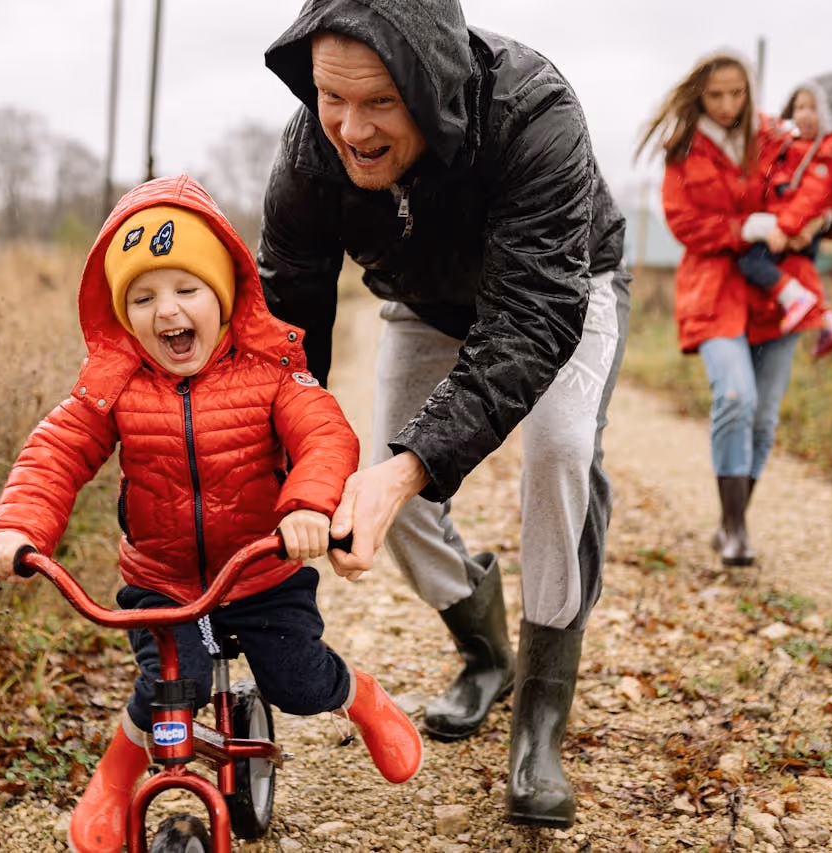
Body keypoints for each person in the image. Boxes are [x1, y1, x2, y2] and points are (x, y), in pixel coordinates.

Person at [258, 0, 629, 828]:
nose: (351, 129)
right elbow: (287, 322)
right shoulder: (308, 153)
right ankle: (485, 652)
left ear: (431, 85)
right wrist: (284, 462)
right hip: (423, 303)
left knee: (561, 449)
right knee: (391, 477)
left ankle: (540, 719)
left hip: (564, 289)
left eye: (380, 101)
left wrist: (409, 466)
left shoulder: (535, 114)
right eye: (331, 98)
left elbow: (532, 319)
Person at [0, 175, 423, 853]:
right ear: (124, 313)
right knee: (166, 689)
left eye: (187, 289)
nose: (167, 312)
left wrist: (306, 506)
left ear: (223, 293)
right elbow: (58, 450)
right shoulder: (116, 382)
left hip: (260, 572)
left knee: (298, 682)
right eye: (143, 296)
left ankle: (359, 696)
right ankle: (112, 780)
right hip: (163, 581)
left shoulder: (270, 370)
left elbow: (325, 435)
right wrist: (18, 526)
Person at [638, 49, 832, 567]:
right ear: (699, 95)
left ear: (749, 91)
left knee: (764, 417)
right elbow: (683, 223)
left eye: (737, 93)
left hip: (778, 290)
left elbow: (814, 183)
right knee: (735, 397)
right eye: (716, 95)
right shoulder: (683, 148)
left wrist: (822, 221)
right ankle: (733, 529)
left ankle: (735, 522)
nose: (728, 104)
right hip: (713, 291)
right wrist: (743, 228)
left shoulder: (777, 137)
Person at [735, 61, 832, 357]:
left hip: (790, 226)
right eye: (799, 107)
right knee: (801, 270)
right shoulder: (793, 146)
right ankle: (827, 321)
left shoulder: (825, 153)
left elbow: (811, 197)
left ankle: (796, 300)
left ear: (830, 114)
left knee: (752, 263)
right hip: (790, 224)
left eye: (812, 108)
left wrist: (785, 228)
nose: (803, 115)